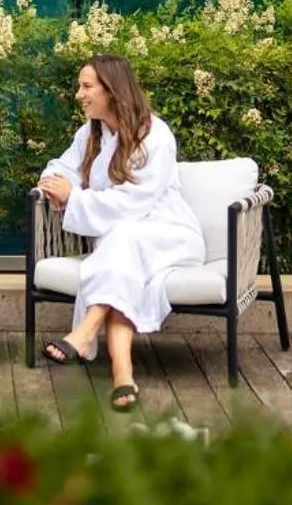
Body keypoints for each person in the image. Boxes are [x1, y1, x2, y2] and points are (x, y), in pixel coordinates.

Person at [36, 54, 204, 412]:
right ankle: (123, 376)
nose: (79, 95)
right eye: (79, 86)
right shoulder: (90, 134)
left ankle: (84, 331)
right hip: (123, 243)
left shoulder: (154, 134)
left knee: (122, 241)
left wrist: (75, 198)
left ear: (112, 90)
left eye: (86, 87)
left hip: (168, 233)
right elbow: (59, 168)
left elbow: (136, 201)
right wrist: (54, 184)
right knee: (122, 261)